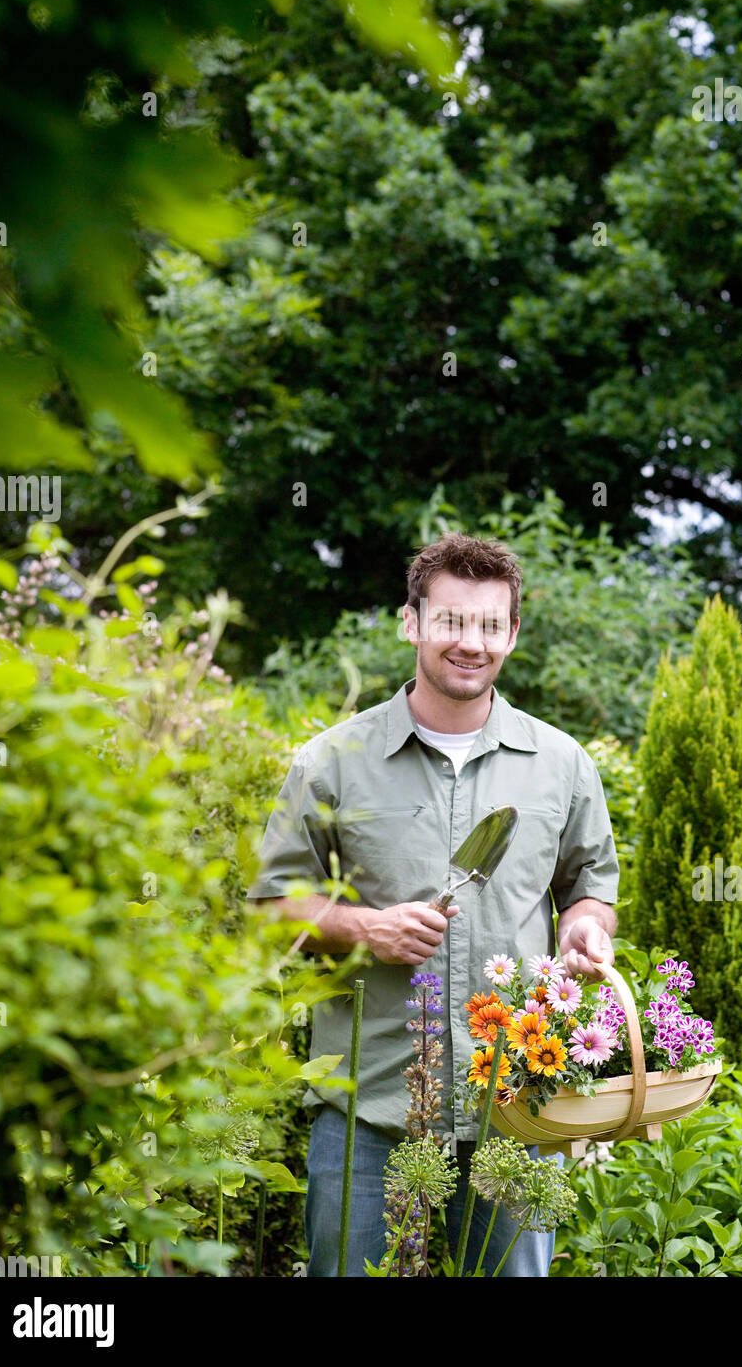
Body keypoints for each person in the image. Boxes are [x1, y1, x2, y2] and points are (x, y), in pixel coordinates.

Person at [246, 532, 620, 1275]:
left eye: (488, 625)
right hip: (368, 1109)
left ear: (512, 633)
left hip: (513, 1101)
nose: (469, 643)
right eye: (450, 620)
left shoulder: (562, 765)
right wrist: (364, 928)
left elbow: (589, 889)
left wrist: (585, 931)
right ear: (410, 622)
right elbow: (270, 906)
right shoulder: (331, 762)